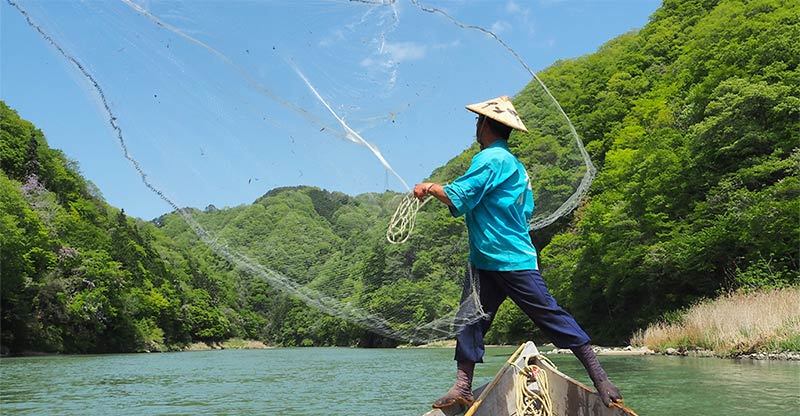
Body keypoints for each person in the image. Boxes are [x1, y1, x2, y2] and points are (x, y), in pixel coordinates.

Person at [413, 96, 622, 409]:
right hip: (486, 262)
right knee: (469, 320)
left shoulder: (491, 160)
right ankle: (462, 386)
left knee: (549, 314)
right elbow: (524, 210)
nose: (476, 126)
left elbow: (459, 196)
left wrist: (429, 187)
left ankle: (601, 378)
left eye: (477, 121)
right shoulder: (517, 167)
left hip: (510, 260)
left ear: (484, 124)